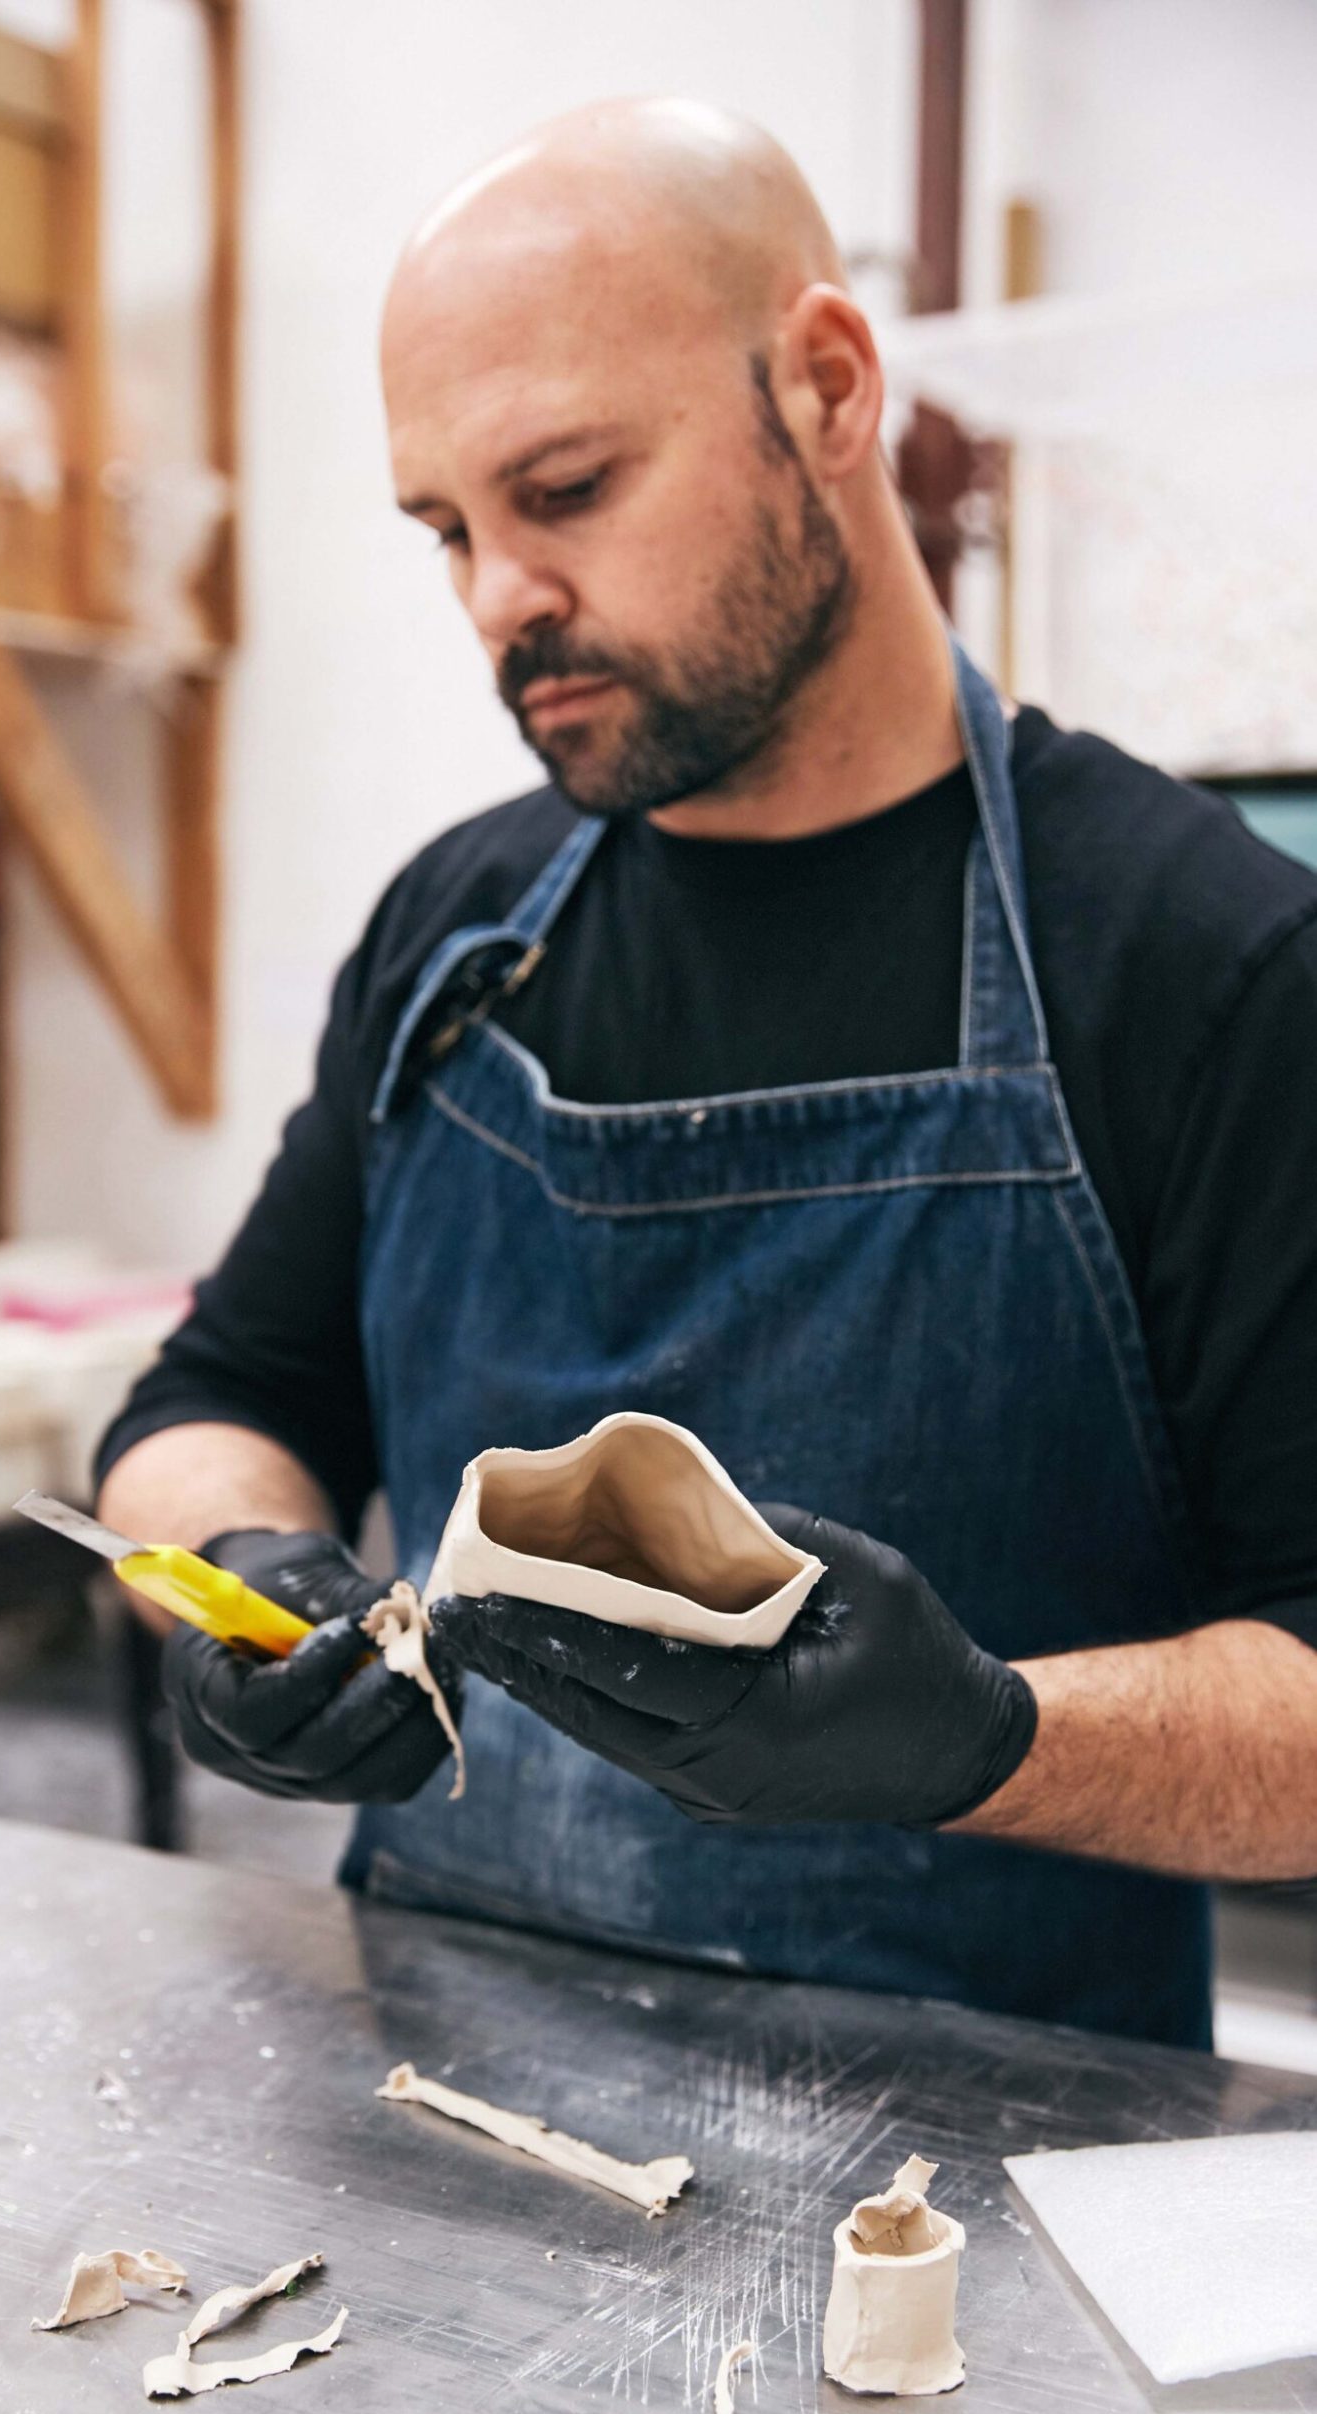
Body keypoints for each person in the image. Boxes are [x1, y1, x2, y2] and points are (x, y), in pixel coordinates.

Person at [97, 100, 1317, 2048]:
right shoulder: (454, 936)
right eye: (447, 530)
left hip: (975, 2197)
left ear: (824, 387)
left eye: (564, 488)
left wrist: (981, 1737)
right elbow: (221, 1393)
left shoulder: (1201, 963)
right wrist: (231, 1576)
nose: (499, 595)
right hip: (445, 2122)